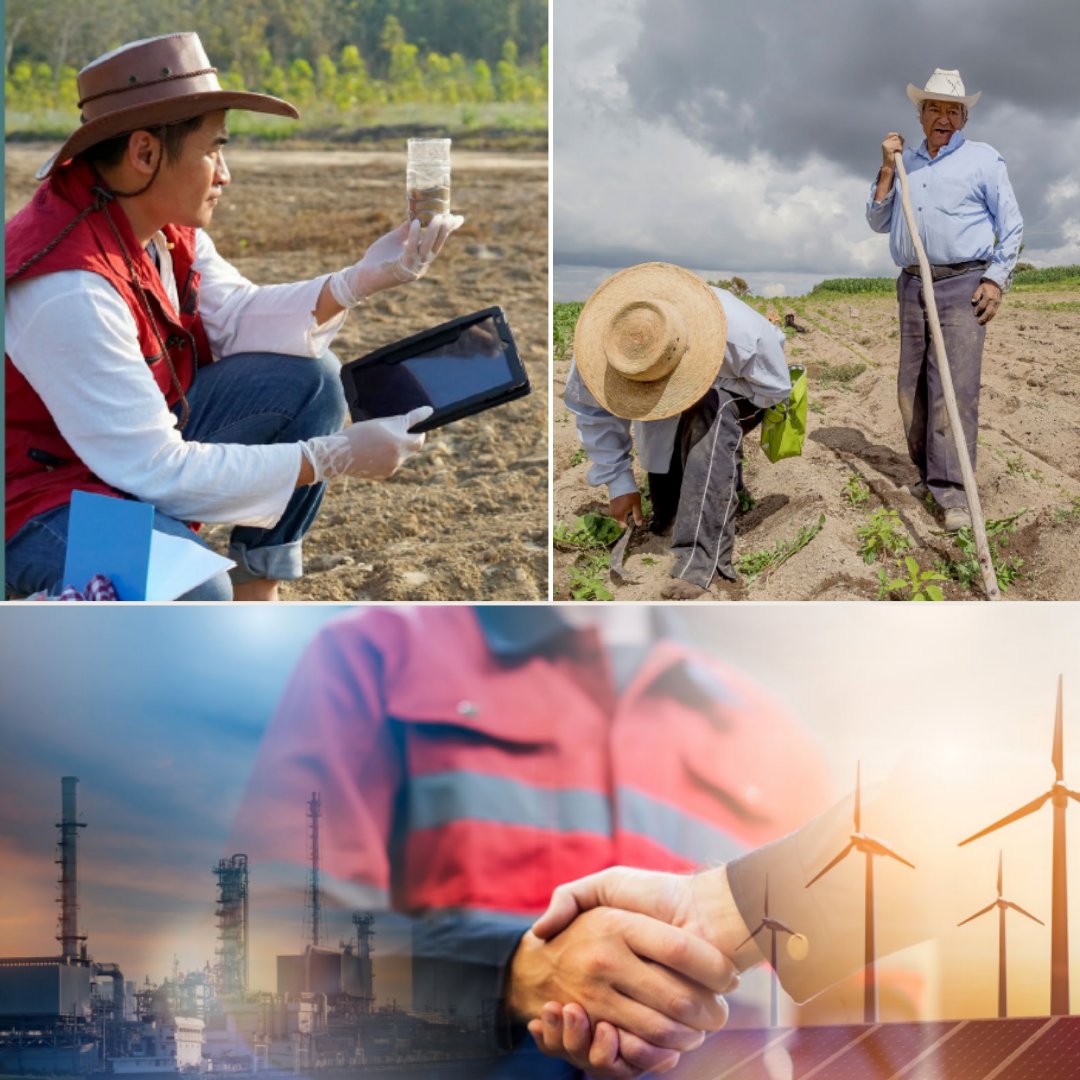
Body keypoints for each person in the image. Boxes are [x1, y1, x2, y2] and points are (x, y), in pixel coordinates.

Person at [234, 605, 834, 1078]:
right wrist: (511, 976)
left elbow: (872, 1014)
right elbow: (276, 948)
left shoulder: (778, 738)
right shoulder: (376, 656)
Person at [4, 32, 464, 600]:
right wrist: (332, 456)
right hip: (44, 500)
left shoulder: (157, 225)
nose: (225, 174)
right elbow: (155, 467)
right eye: (213, 150)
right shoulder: (69, 286)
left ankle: (259, 585)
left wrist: (358, 280)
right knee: (194, 591)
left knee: (310, 382)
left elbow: (241, 316)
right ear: (144, 153)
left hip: (119, 460)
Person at [563, 262, 792, 601]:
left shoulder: (740, 333)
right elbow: (593, 412)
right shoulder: (607, 341)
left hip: (747, 390)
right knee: (666, 511)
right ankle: (710, 478)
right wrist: (619, 483)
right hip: (691, 396)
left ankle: (700, 562)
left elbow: (775, 388)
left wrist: (702, 386)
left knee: (712, 410)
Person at [867, 68, 1022, 532]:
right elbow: (877, 221)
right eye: (935, 108)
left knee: (952, 392)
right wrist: (888, 169)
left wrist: (995, 279)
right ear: (920, 115)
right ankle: (926, 473)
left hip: (962, 283)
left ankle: (953, 491)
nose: (944, 117)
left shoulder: (983, 160)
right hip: (913, 283)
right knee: (910, 389)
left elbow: (1011, 225)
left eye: (953, 110)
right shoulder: (906, 162)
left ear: (964, 118)